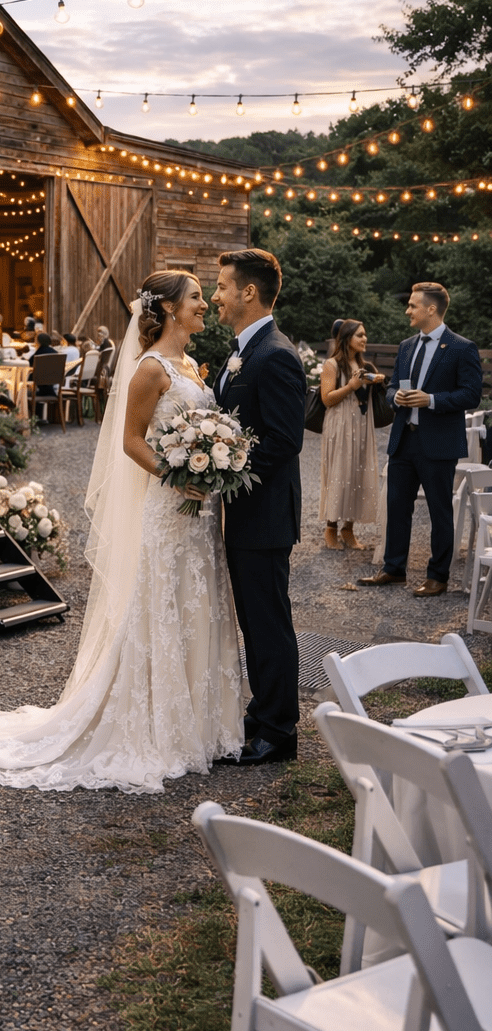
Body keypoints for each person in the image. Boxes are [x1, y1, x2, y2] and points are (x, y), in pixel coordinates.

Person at [0, 271, 243, 792]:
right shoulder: (150, 369)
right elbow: (131, 443)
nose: (205, 304)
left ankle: (200, 722)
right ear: (166, 309)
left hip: (201, 519)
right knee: (161, 606)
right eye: (197, 299)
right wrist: (177, 476)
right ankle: (153, 726)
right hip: (169, 508)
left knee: (196, 604)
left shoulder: (191, 367)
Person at [212, 248, 306, 765]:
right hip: (246, 516)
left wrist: (223, 473)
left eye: (223, 285)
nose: (217, 295)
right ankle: (263, 712)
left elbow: (284, 441)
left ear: (249, 291)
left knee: (269, 624)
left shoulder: (276, 355)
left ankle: (278, 732)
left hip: (265, 517)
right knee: (255, 621)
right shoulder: (244, 350)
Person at [359, 281, 483, 597]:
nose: (408, 310)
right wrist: (395, 396)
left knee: (441, 511)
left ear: (431, 309)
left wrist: (431, 400)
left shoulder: (461, 347)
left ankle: (438, 576)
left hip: (438, 444)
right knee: (397, 506)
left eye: (413, 305)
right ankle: (393, 569)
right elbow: (389, 389)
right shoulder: (406, 346)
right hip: (404, 440)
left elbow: (471, 395)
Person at [318, 318, 382, 550]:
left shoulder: (364, 367)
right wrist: (351, 387)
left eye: (365, 335)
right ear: (347, 339)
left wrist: (375, 382)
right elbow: (327, 399)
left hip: (361, 424)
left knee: (358, 474)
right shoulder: (332, 365)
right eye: (360, 335)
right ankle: (331, 528)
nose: (365, 339)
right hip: (340, 425)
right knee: (339, 474)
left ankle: (349, 529)